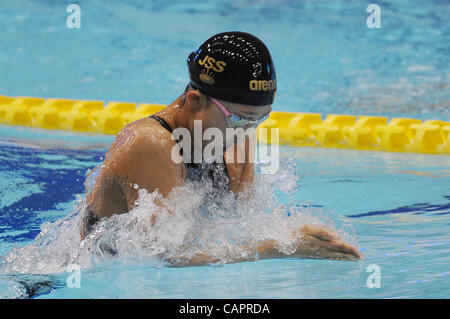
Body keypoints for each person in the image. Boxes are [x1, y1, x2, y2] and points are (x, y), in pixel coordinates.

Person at [80, 31, 363, 264]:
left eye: (259, 119)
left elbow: (243, 226)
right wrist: (277, 247)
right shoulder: (150, 143)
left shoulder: (238, 143)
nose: (247, 132)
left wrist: (299, 238)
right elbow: (162, 255)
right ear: (194, 100)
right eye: (238, 119)